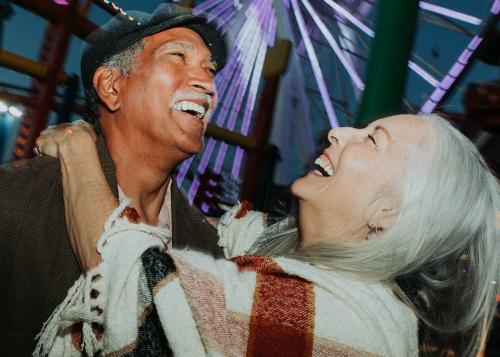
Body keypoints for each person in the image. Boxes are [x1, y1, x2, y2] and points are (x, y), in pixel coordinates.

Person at [33, 114, 499, 356]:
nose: (338, 131)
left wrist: (77, 150)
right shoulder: (295, 257)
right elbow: (234, 234)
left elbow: (132, 282)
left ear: (391, 216)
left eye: (373, 139)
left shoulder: (350, 324)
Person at [0, 4, 227, 355]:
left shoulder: (210, 250)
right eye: (178, 56)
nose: (207, 83)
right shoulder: (13, 201)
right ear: (110, 87)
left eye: (209, 69)